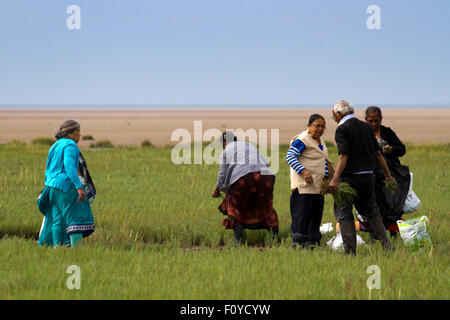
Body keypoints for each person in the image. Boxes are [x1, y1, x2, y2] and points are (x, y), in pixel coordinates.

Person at [328, 100, 395, 255]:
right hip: (368, 177)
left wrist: (335, 180)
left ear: (338, 114)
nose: (335, 119)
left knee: (344, 214)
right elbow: (378, 153)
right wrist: (388, 175)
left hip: (349, 180)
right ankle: (387, 246)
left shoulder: (342, 129)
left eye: (334, 116)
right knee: (372, 211)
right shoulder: (366, 127)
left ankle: (350, 253)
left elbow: (343, 156)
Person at [212, 131, 279, 244]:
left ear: (224, 143)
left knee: (233, 203)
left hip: (246, 177)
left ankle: (238, 241)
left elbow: (222, 175)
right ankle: (275, 239)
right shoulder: (248, 145)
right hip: (267, 177)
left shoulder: (226, 151)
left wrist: (217, 190)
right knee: (265, 205)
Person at [37, 120, 95, 247]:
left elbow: (48, 168)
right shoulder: (70, 145)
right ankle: (76, 250)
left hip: (52, 186)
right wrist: (79, 187)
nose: (80, 135)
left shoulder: (55, 145)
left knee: (58, 219)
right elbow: (69, 166)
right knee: (75, 218)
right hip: (66, 186)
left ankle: (59, 247)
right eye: (77, 131)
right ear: (69, 133)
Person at [361, 106, 410, 238]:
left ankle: (394, 234)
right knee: (374, 205)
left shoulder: (387, 132)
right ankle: (374, 236)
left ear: (381, 119)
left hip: (391, 175)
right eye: (370, 121)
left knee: (393, 205)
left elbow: (402, 150)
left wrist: (392, 149)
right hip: (372, 176)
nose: (374, 124)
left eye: (376, 121)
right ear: (365, 120)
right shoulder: (363, 134)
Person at [286, 114, 334, 249]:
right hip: (304, 188)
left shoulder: (321, 141)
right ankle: (298, 246)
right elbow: (290, 157)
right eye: (316, 125)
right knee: (301, 219)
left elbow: (322, 160)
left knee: (315, 218)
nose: (320, 129)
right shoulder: (302, 140)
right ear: (309, 126)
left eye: (322, 126)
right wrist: (304, 171)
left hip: (318, 188)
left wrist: (328, 177)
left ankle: (312, 246)